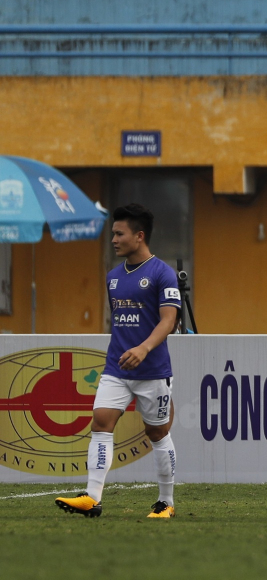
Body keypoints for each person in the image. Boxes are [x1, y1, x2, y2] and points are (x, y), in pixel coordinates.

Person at [56, 204, 181, 519]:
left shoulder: (162, 273)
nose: (113, 239)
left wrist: (143, 348)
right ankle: (92, 498)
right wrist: (128, 351)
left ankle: (166, 502)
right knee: (100, 422)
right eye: (113, 233)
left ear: (138, 236)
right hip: (117, 367)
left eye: (119, 233)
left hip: (152, 370)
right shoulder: (113, 277)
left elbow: (169, 321)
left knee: (158, 433)